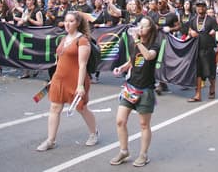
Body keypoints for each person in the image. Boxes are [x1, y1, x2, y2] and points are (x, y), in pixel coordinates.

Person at [36, 11, 99, 151]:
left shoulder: (82, 40)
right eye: (66, 21)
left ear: (77, 23)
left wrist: (80, 85)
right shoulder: (64, 38)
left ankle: (94, 133)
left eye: (71, 21)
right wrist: (53, 79)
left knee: (81, 108)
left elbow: (82, 64)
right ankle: (51, 140)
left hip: (76, 80)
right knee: (55, 107)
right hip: (59, 78)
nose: (67, 24)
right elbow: (60, 60)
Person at [109, 16, 159, 167]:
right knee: (120, 121)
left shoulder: (154, 45)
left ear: (150, 29)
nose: (140, 28)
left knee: (144, 124)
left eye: (144, 26)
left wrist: (137, 40)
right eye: (139, 25)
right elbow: (133, 60)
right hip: (130, 87)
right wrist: (123, 68)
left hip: (146, 89)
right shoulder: (134, 43)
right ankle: (124, 151)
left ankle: (143, 154)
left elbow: (148, 56)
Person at [187, 0, 218, 102]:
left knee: (210, 72)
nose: (200, 8)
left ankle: (212, 87)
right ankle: (198, 94)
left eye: (202, 6)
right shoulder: (192, 19)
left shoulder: (211, 20)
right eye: (198, 6)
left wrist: (213, 32)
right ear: (196, 8)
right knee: (198, 73)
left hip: (208, 50)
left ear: (206, 8)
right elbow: (189, 30)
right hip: (196, 50)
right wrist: (191, 32)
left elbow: (215, 30)